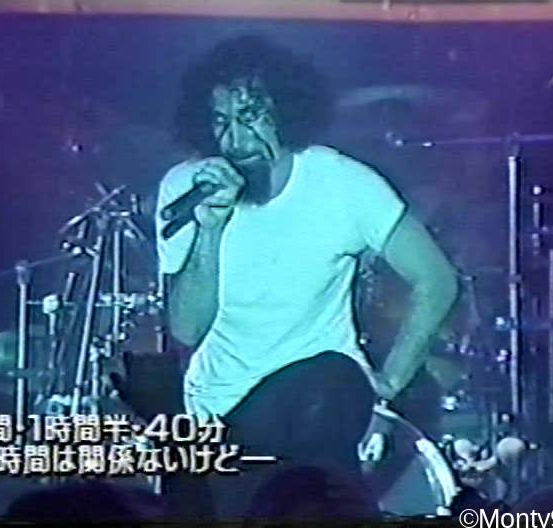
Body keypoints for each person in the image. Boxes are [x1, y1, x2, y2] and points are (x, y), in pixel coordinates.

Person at [154, 35, 458, 521]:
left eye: (251, 116)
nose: (236, 140)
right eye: (221, 121)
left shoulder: (343, 183)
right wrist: (210, 229)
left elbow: (436, 280)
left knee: (331, 378)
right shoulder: (187, 187)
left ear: (286, 111)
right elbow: (187, 329)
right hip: (222, 415)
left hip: (322, 408)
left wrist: (390, 383)